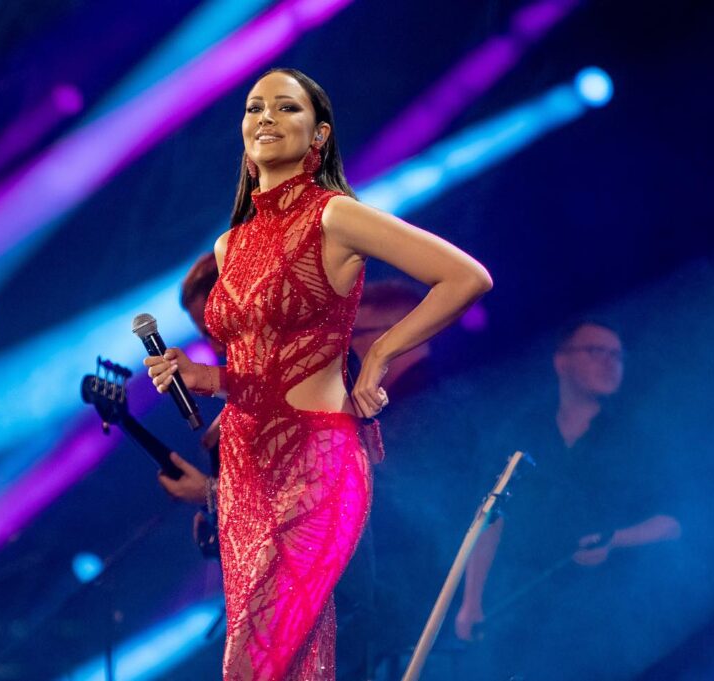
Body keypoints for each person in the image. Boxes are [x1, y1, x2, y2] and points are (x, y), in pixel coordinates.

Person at [144, 67, 492, 680]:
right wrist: (207, 378)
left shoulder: (335, 216)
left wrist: (379, 354)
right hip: (246, 474)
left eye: (287, 107)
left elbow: (466, 277)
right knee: (294, 668)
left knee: (253, 664)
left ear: (320, 134)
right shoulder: (230, 247)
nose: (266, 117)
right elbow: (262, 372)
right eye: (255, 107)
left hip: (316, 464)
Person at [453, 320, 682, 679]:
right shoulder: (523, 428)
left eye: (617, 356)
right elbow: (491, 517)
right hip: (520, 605)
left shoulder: (635, 438)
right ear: (562, 361)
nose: (610, 363)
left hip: (603, 613)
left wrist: (614, 539)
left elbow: (672, 523)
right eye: (597, 351)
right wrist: (471, 600)